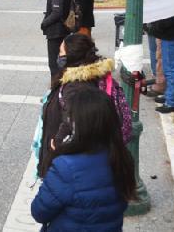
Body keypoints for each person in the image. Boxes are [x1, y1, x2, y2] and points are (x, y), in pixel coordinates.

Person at [32, 88, 136, 231]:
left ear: (80, 126)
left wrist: (55, 157)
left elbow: (39, 212)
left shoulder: (66, 168)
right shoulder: (122, 158)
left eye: (69, 119)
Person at [36, 34, 132, 178]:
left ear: (72, 56)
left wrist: (58, 142)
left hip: (69, 164)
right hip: (95, 160)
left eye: (61, 52)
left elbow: (73, 123)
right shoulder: (98, 78)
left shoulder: (76, 88)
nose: (59, 56)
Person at [147, 14, 174, 113]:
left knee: (171, 70)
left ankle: (172, 102)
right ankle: (169, 96)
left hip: (170, 36)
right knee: (168, 69)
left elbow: (168, 21)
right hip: (167, 35)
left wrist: (155, 26)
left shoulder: (172, 7)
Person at [41, 0, 73, 76]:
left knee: (54, 64)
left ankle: (56, 89)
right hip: (60, 30)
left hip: (56, 31)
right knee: (59, 62)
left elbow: (57, 12)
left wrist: (44, 23)